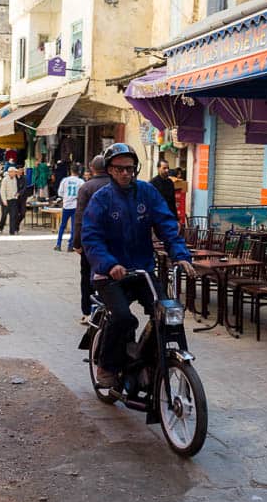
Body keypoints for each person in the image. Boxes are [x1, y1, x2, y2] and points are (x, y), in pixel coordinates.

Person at [82, 143, 195, 387]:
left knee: (166, 316)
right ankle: (107, 365)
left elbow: (166, 224)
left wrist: (181, 255)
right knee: (123, 318)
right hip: (109, 275)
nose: (125, 173)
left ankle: (145, 362)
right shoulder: (101, 199)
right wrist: (109, 264)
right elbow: (91, 237)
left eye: (130, 169)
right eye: (120, 169)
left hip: (142, 270)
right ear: (110, 170)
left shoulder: (147, 192)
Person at [73, 156, 112, 324]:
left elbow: (80, 216)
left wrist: (77, 242)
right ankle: (110, 307)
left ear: (92, 168)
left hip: (91, 240)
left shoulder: (86, 187)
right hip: (112, 240)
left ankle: (88, 311)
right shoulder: (116, 186)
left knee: (87, 274)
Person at [55, 164, 84, 251]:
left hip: (66, 205)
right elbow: (83, 194)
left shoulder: (65, 180)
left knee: (62, 226)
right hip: (75, 206)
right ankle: (70, 246)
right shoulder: (81, 182)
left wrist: (66, 197)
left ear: (70, 171)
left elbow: (60, 193)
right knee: (74, 226)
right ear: (78, 172)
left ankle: (58, 244)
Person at [0, 166, 21, 235]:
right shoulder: (5, 180)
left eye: (15, 172)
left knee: (13, 215)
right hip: (6, 200)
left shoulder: (15, 179)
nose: (15, 173)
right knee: (4, 215)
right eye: (14, 172)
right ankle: (1, 227)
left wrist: (17, 195)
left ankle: (12, 231)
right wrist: (4, 200)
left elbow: (17, 188)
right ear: (10, 172)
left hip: (13, 200)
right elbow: (2, 191)